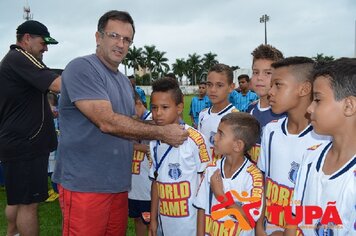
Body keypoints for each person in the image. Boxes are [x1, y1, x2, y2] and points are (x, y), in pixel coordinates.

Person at [52, 10, 188, 236]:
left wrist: (167, 127)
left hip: (118, 185)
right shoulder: (82, 68)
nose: (121, 44)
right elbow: (106, 122)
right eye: (114, 36)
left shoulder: (124, 82)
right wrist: (163, 133)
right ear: (98, 37)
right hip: (85, 185)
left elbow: (129, 123)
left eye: (127, 39)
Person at [255, 57, 330, 235]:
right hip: (269, 227)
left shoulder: (324, 140)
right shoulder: (270, 131)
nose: (270, 92)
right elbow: (263, 183)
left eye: (278, 85)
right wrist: (259, 225)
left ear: (304, 89)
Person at [0, 20, 61, 236]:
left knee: (17, 200)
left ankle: (12, 233)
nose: (46, 48)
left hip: (19, 143)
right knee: (28, 204)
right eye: (43, 43)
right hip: (26, 145)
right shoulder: (21, 57)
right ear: (27, 39)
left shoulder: (15, 61)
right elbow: (57, 85)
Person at [285, 58, 356, 236]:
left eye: (317, 99)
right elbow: (294, 219)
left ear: (349, 106)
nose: (309, 109)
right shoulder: (311, 157)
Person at [148, 77, 212, 236]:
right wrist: (154, 220)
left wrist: (202, 230)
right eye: (154, 107)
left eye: (164, 107)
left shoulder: (196, 140)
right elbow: (156, 182)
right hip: (165, 223)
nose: (158, 113)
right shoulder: (154, 142)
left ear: (179, 108)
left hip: (191, 226)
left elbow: (206, 187)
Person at [194, 112, 263, 235]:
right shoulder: (211, 169)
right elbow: (201, 208)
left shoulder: (253, 176)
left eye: (221, 134)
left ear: (237, 145)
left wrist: (222, 196)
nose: (215, 138)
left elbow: (249, 219)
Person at [246, 44, 285, 163]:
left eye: (267, 73)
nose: (259, 78)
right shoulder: (250, 110)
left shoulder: (286, 114)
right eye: (255, 72)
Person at [198, 63, 238, 158]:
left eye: (219, 85)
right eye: (209, 84)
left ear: (231, 87)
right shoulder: (203, 114)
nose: (213, 90)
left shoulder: (236, 117)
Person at [128, 92, 152, 236]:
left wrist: (129, 145)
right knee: (137, 219)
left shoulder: (152, 121)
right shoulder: (130, 122)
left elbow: (155, 150)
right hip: (134, 185)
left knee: (150, 221)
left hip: (147, 187)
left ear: (138, 103)